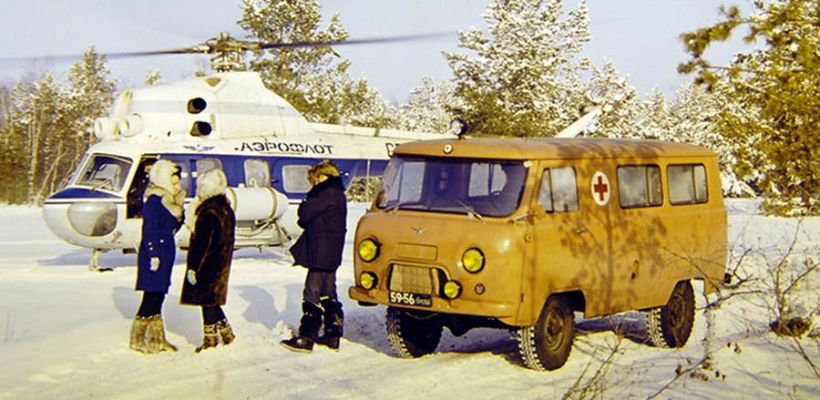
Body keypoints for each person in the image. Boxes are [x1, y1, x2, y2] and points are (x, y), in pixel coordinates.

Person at [280, 160, 347, 353]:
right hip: (332, 251)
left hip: (320, 250)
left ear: (325, 176)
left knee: (312, 293)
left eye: (318, 178)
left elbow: (305, 214)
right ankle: (333, 335)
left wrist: (307, 200)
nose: (315, 182)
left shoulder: (325, 193)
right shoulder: (338, 193)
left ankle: (306, 337)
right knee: (329, 292)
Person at [129, 159, 186, 354]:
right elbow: (150, 229)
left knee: (159, 294)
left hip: (166, 252)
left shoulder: (168, 201)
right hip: (155, 255)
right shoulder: (154, 200)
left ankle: (157, 339)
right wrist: (153, 253)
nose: (177, 185)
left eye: (177, 182)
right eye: (173, 181)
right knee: (151, 296)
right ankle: (137, 339)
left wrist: (178, 209)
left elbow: (173, 227)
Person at [180, 168, 237, 353]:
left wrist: (193, 266)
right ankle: (227, 333)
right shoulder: (226, 208)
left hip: (207, 263)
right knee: (213, 299)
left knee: (207, 301)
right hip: (221, 261)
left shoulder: (208, 211)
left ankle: (210, 341)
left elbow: (201, 243)